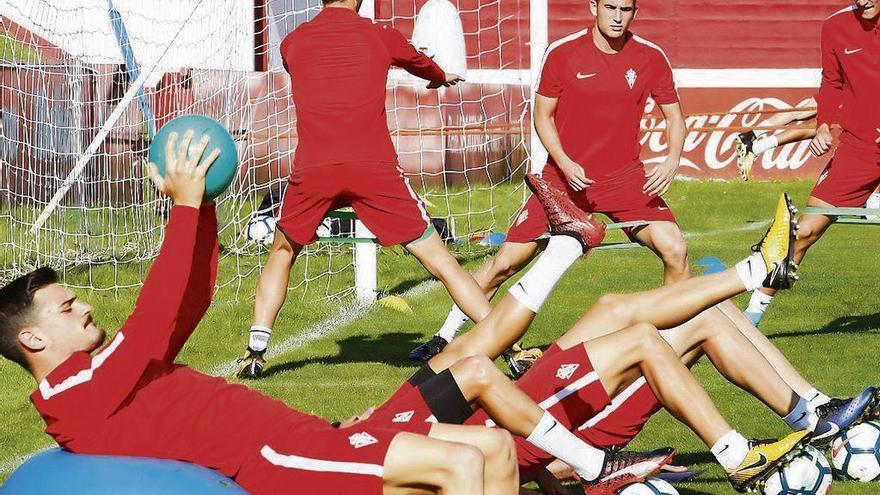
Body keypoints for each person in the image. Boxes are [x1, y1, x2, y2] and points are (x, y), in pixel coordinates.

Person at [4, 132, 672, 495]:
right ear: (33, 335)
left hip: (302, 438)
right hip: (279, 460)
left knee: (495, 448)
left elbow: (186, 306)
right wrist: (179, 209)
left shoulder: (106, 374)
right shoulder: (78, 395)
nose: (85, 303)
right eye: (68, 305)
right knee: (464, 468)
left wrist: (201, 208)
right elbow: (152, 318)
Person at [359, 184, 870, 494]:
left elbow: (480, 344)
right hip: (552, 419)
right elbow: (505, 452)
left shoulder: (389, 421)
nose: (353, 421)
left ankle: (812, 408)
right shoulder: (399, 453)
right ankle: (742, 452)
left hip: (535, 398)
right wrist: (585, 476)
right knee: (662, 332)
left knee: (618, 307)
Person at [410, 0, 690, 361]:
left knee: (675, 250)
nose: (618, 17)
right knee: (505, 263)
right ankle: (445, 336)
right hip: (563, 181)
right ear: (593, 6)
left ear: (635, 11)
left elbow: (675, 118)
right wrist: (564, 161)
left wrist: (670, 161)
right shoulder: (562, 53)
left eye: (626, 9)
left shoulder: (651, 56)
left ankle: (670, 342)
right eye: (610, 7)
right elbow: (543, 116)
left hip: (624, 180)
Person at [237, 0, 494, 378]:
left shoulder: (292, 41)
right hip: (373, 169)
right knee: (440, 260)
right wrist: (439, 76)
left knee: (283, 250)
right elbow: (424, 65)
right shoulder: (381, 35)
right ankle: (510, 346)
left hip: (315, 168)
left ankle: (255, 352)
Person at [741, 0, 880, 326]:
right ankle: (751, 318)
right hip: (858, 151)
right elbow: (831, 82)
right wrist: (823, 125)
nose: (861, 1)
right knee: (804, 231)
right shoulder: (835, 26)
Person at [734, 99, 818, 181]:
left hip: (829, 86)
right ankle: (755, 148)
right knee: (818, 127)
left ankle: (749, 136)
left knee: (804, 110)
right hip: (831, 90)